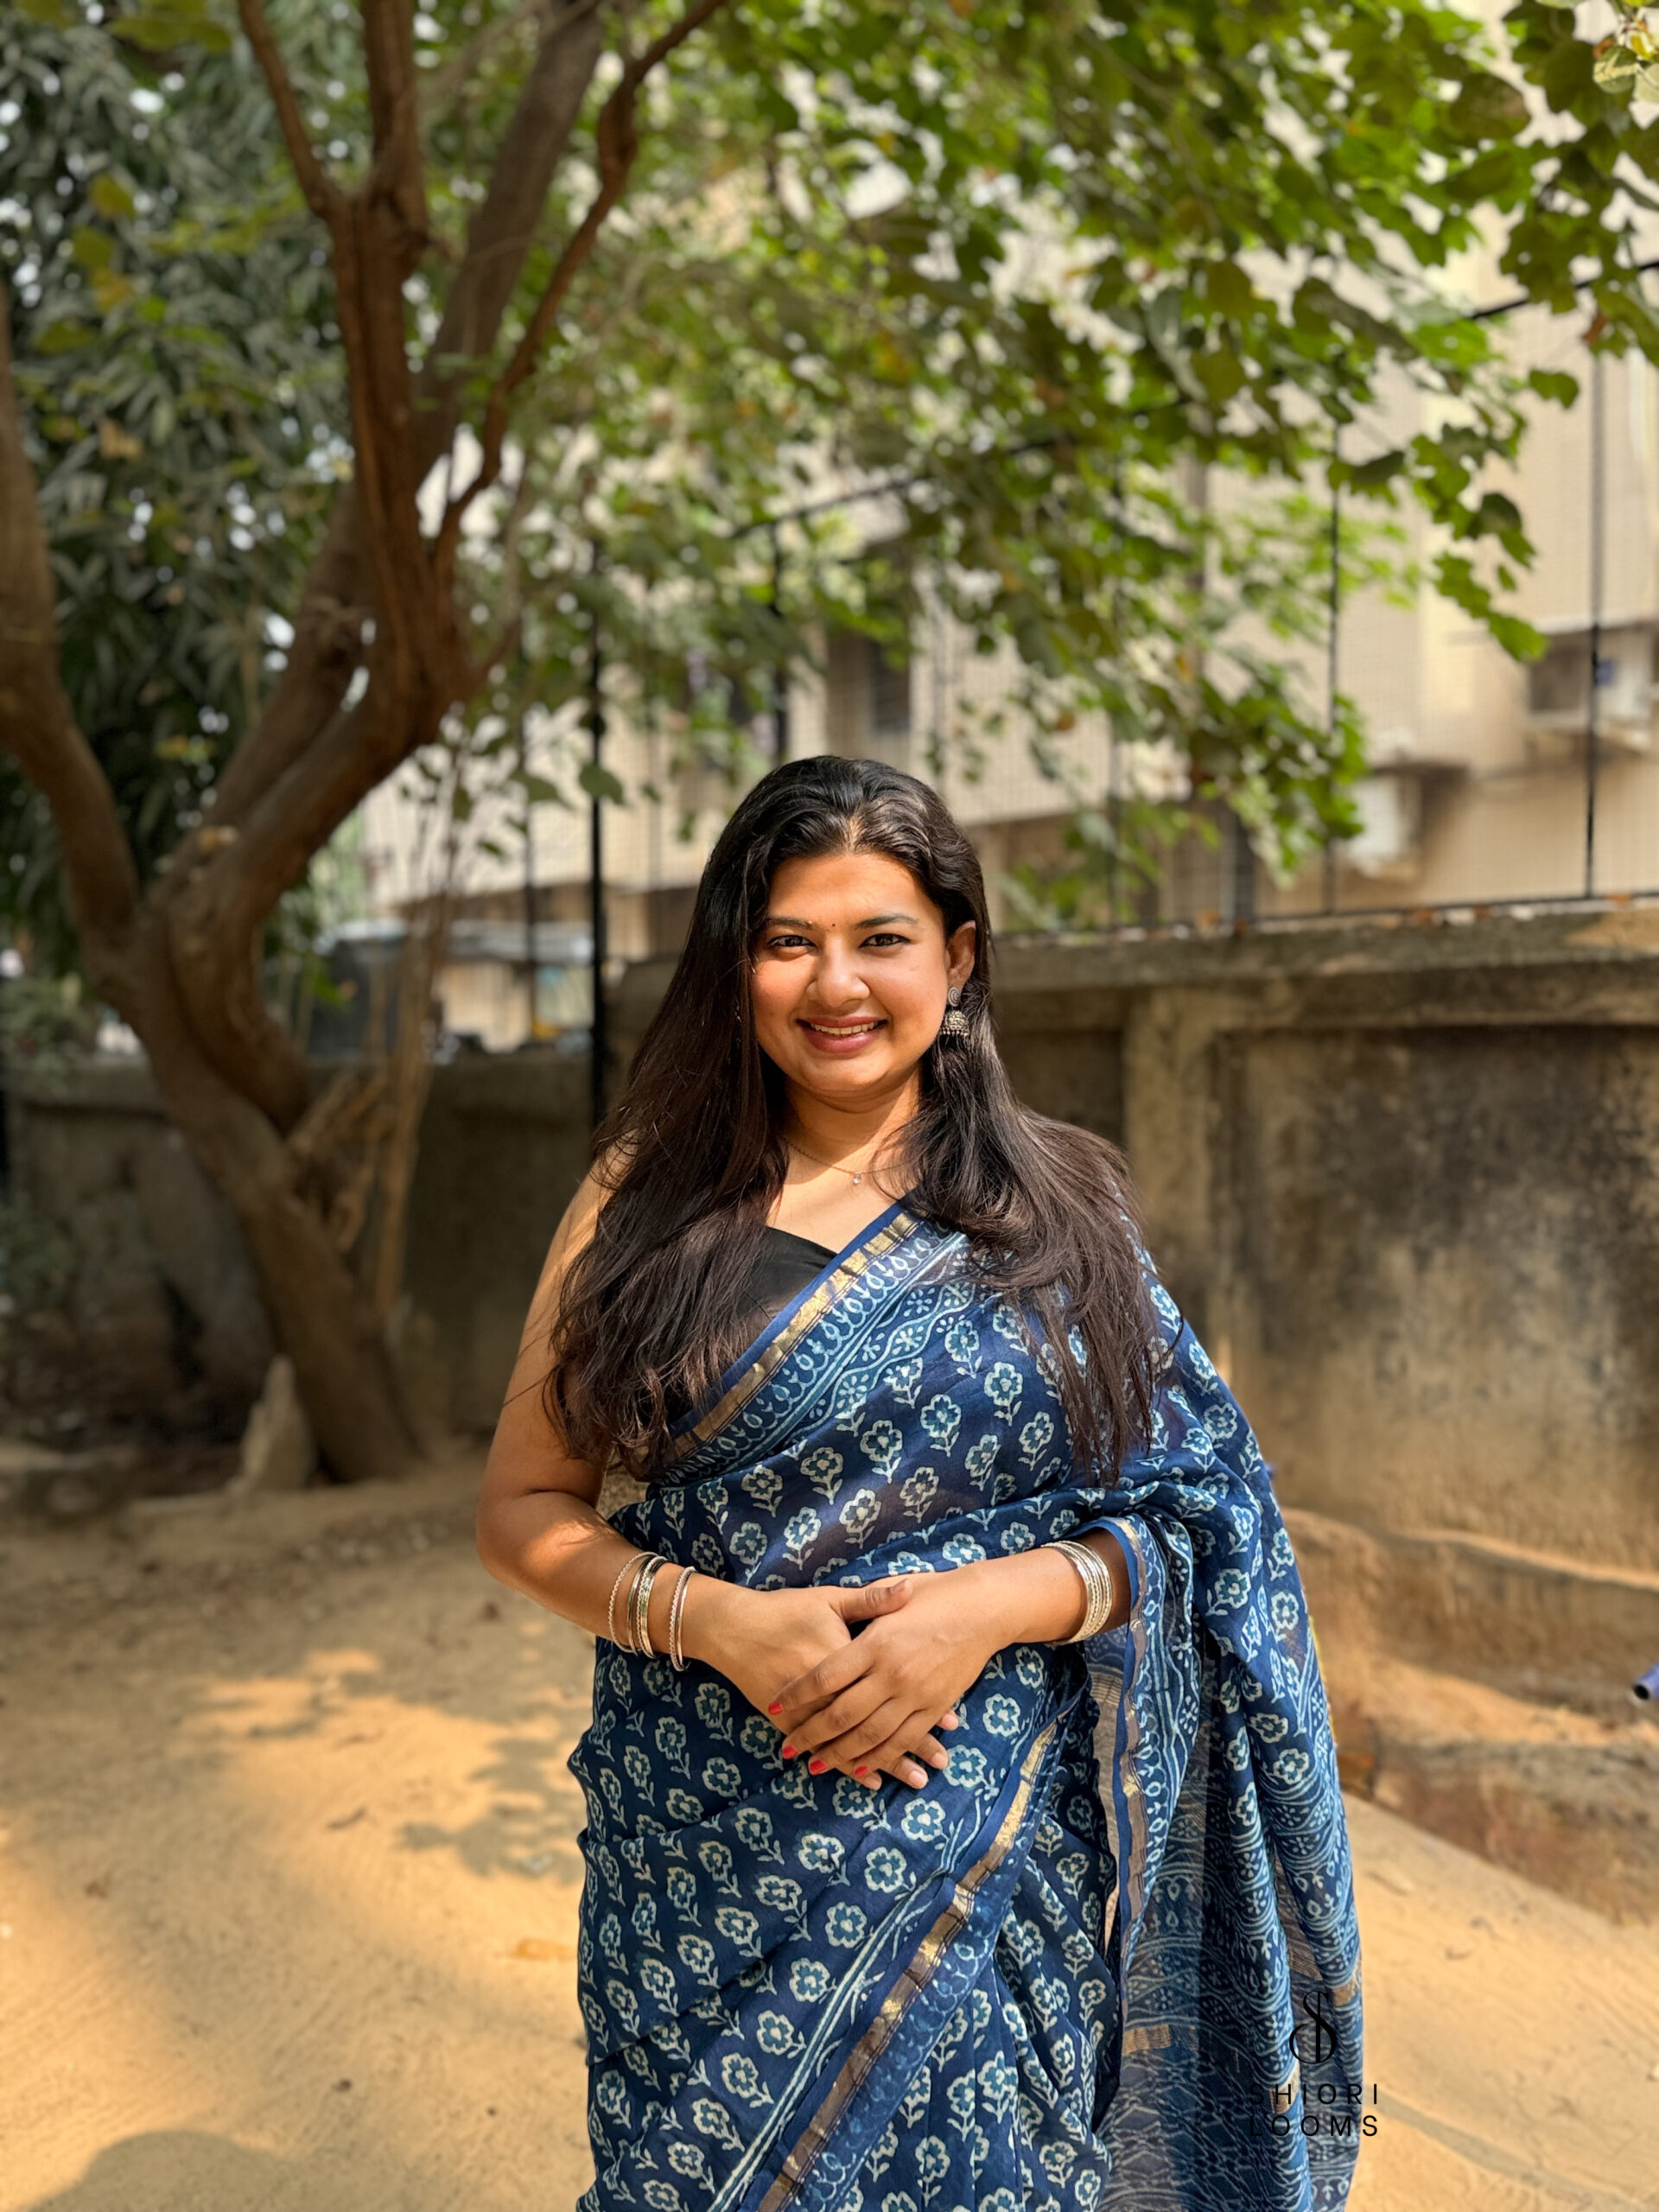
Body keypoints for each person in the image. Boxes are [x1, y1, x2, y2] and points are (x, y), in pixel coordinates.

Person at [476, 756, 1361, 2212]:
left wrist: (995, 1605)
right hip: (704, 1866)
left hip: (999, 1858)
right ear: (736, 965)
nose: (837, 983)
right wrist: (716, 1623)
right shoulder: (642, 1201)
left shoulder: (1055, 1206)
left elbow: (1212, 1511)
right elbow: (523, 1511)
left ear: (955, 959)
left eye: (881, 938)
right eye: (787, 941)